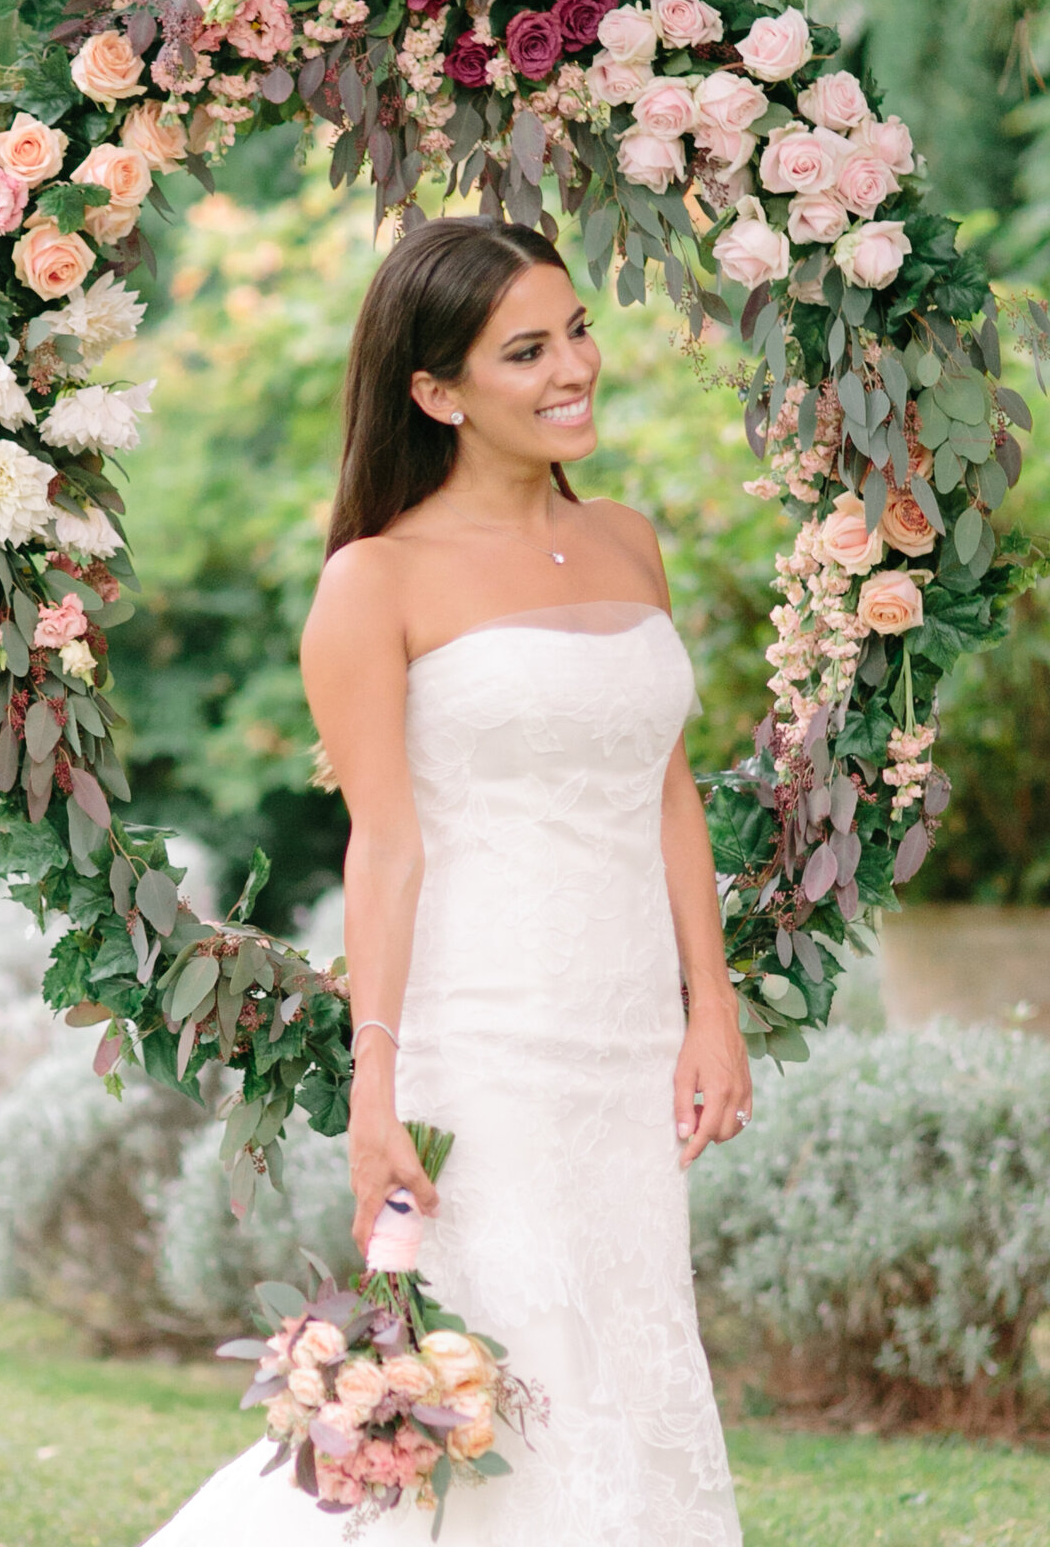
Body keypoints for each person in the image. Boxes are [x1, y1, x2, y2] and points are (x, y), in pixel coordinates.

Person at [143, 216, 750, 1545]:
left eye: (577, 330)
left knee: (623, 1365)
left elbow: (669, 791)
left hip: (629, 1039)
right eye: (524, 351)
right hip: (482, 1043)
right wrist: (377, 1091)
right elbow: (388, 844)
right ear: (436, 390)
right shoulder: (375, 581)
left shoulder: (629, 543)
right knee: (495, 1380)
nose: (572, 367)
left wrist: (714, 1007)